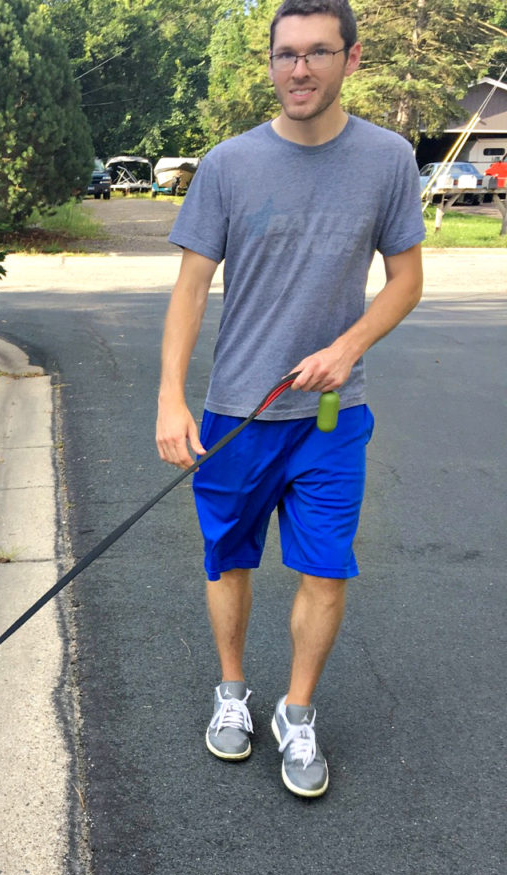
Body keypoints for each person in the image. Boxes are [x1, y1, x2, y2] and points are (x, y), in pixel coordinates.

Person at [155, 0, 425, 798]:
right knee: (227, 557)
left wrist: (347, 348)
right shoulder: (230, 165)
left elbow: (406, 279)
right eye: (285, 55)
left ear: (352, 58)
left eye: (316, 53)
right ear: (269, 62)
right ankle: (233, 694)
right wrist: (172, 398)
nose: (298, 69)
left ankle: (296, 712)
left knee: (326, 570)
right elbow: (191, 288)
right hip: (237, 412)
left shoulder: (388, 159)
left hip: (333, 421)